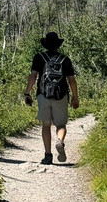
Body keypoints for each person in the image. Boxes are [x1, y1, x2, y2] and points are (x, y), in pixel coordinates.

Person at [24, 31, 79, 165]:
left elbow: (33, 76)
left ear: (46, 44)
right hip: (61, 95)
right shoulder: (65, 59)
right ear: (58, 45)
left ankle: (48, 156)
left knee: (46, 125)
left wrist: (27, 92)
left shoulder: (39, 57)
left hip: (43, 94)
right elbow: (72, 80)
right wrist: (75, 97)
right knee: (61, 124)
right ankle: (59, 141)